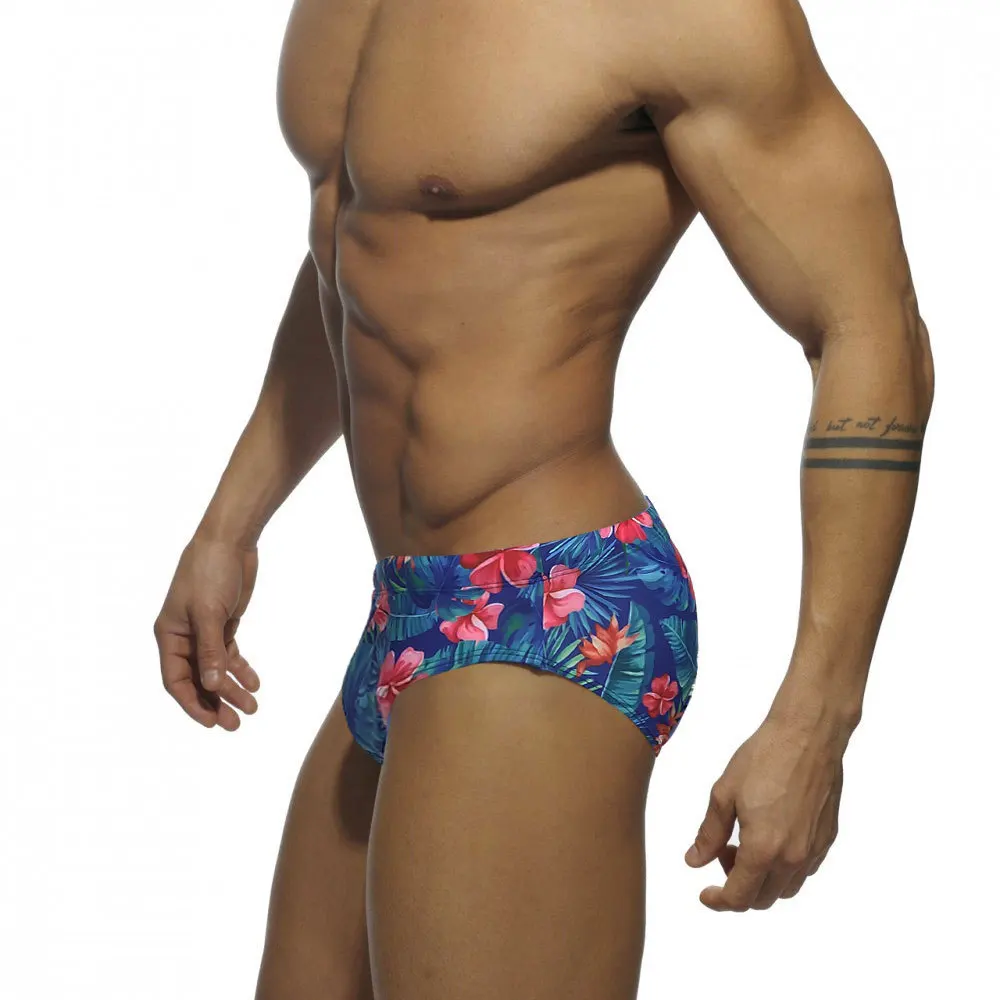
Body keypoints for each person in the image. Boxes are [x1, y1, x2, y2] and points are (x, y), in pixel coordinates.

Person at [152, 0, 935, 996]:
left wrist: (817, 717)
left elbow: (870, 327)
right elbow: (360, 260)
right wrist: (228, 524)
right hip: (408, 603)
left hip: (550, 604)